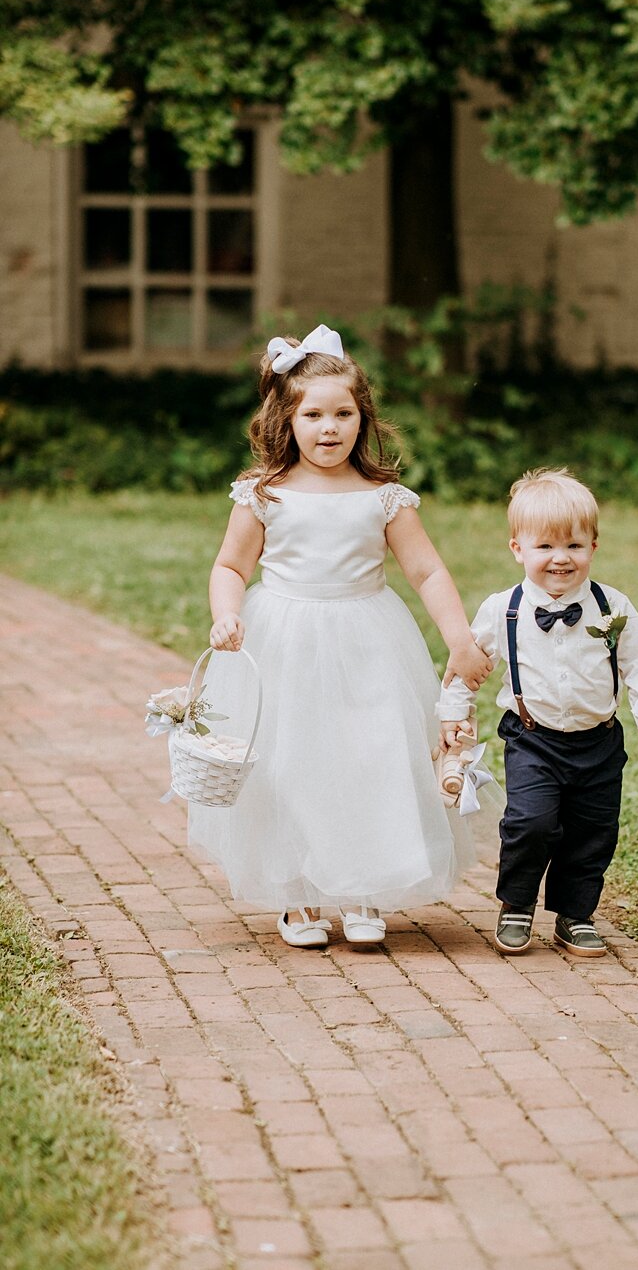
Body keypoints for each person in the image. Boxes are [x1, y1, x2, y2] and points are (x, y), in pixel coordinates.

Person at [193, 323, 498, 950]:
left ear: (364, 420)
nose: (329, 428)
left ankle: (365, 886)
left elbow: (426, 570)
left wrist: (460, 638)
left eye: (343, 413)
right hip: (286, 641)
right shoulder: (263, 495)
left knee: (371, 756)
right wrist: (227, 612)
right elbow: (230, 566)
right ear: (286, 418)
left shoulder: (383, 498)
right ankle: (297, 894)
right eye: (313, 414)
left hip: (367, 640)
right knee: (293, 762)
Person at [439, 467, 638, 959]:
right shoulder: (502, 608)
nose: (560, 558)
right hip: (533, 739)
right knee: (531, 822)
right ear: (518, 549)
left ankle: (575, 915)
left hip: (598, 740)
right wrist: (453, 714)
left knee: (593, 830)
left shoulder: (611, 606)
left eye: (574, 546)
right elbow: (463, 666)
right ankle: (516, 904)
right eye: (545, 546)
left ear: (594, 546)